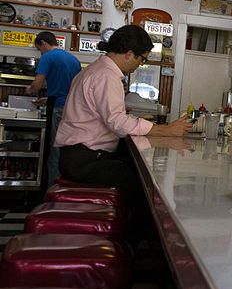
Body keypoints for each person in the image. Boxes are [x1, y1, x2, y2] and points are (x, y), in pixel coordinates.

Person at [55, 25, 191, 220]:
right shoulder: (106, 75)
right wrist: (166, 130)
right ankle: (142, 244)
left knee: (136, 173)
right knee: (146, 185)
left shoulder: (97, 69)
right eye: (142, 59)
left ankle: (133, 238)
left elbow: (111, 117)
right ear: (129, 54)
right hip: (83, 161)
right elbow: (117, 123)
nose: (141, 65)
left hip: (79, 156)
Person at [25, 31, 81, 187]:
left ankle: (51, 191)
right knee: (67, 149)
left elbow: (36, 86)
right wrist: (48, 98)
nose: (40, 52)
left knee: (54, 150)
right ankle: (66, 188)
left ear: (43, 43)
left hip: (57, 108)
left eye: (39, 49)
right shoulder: (73, 59)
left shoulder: (47, 57)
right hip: (72, 107)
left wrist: (29, 90)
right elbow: (71, 87)